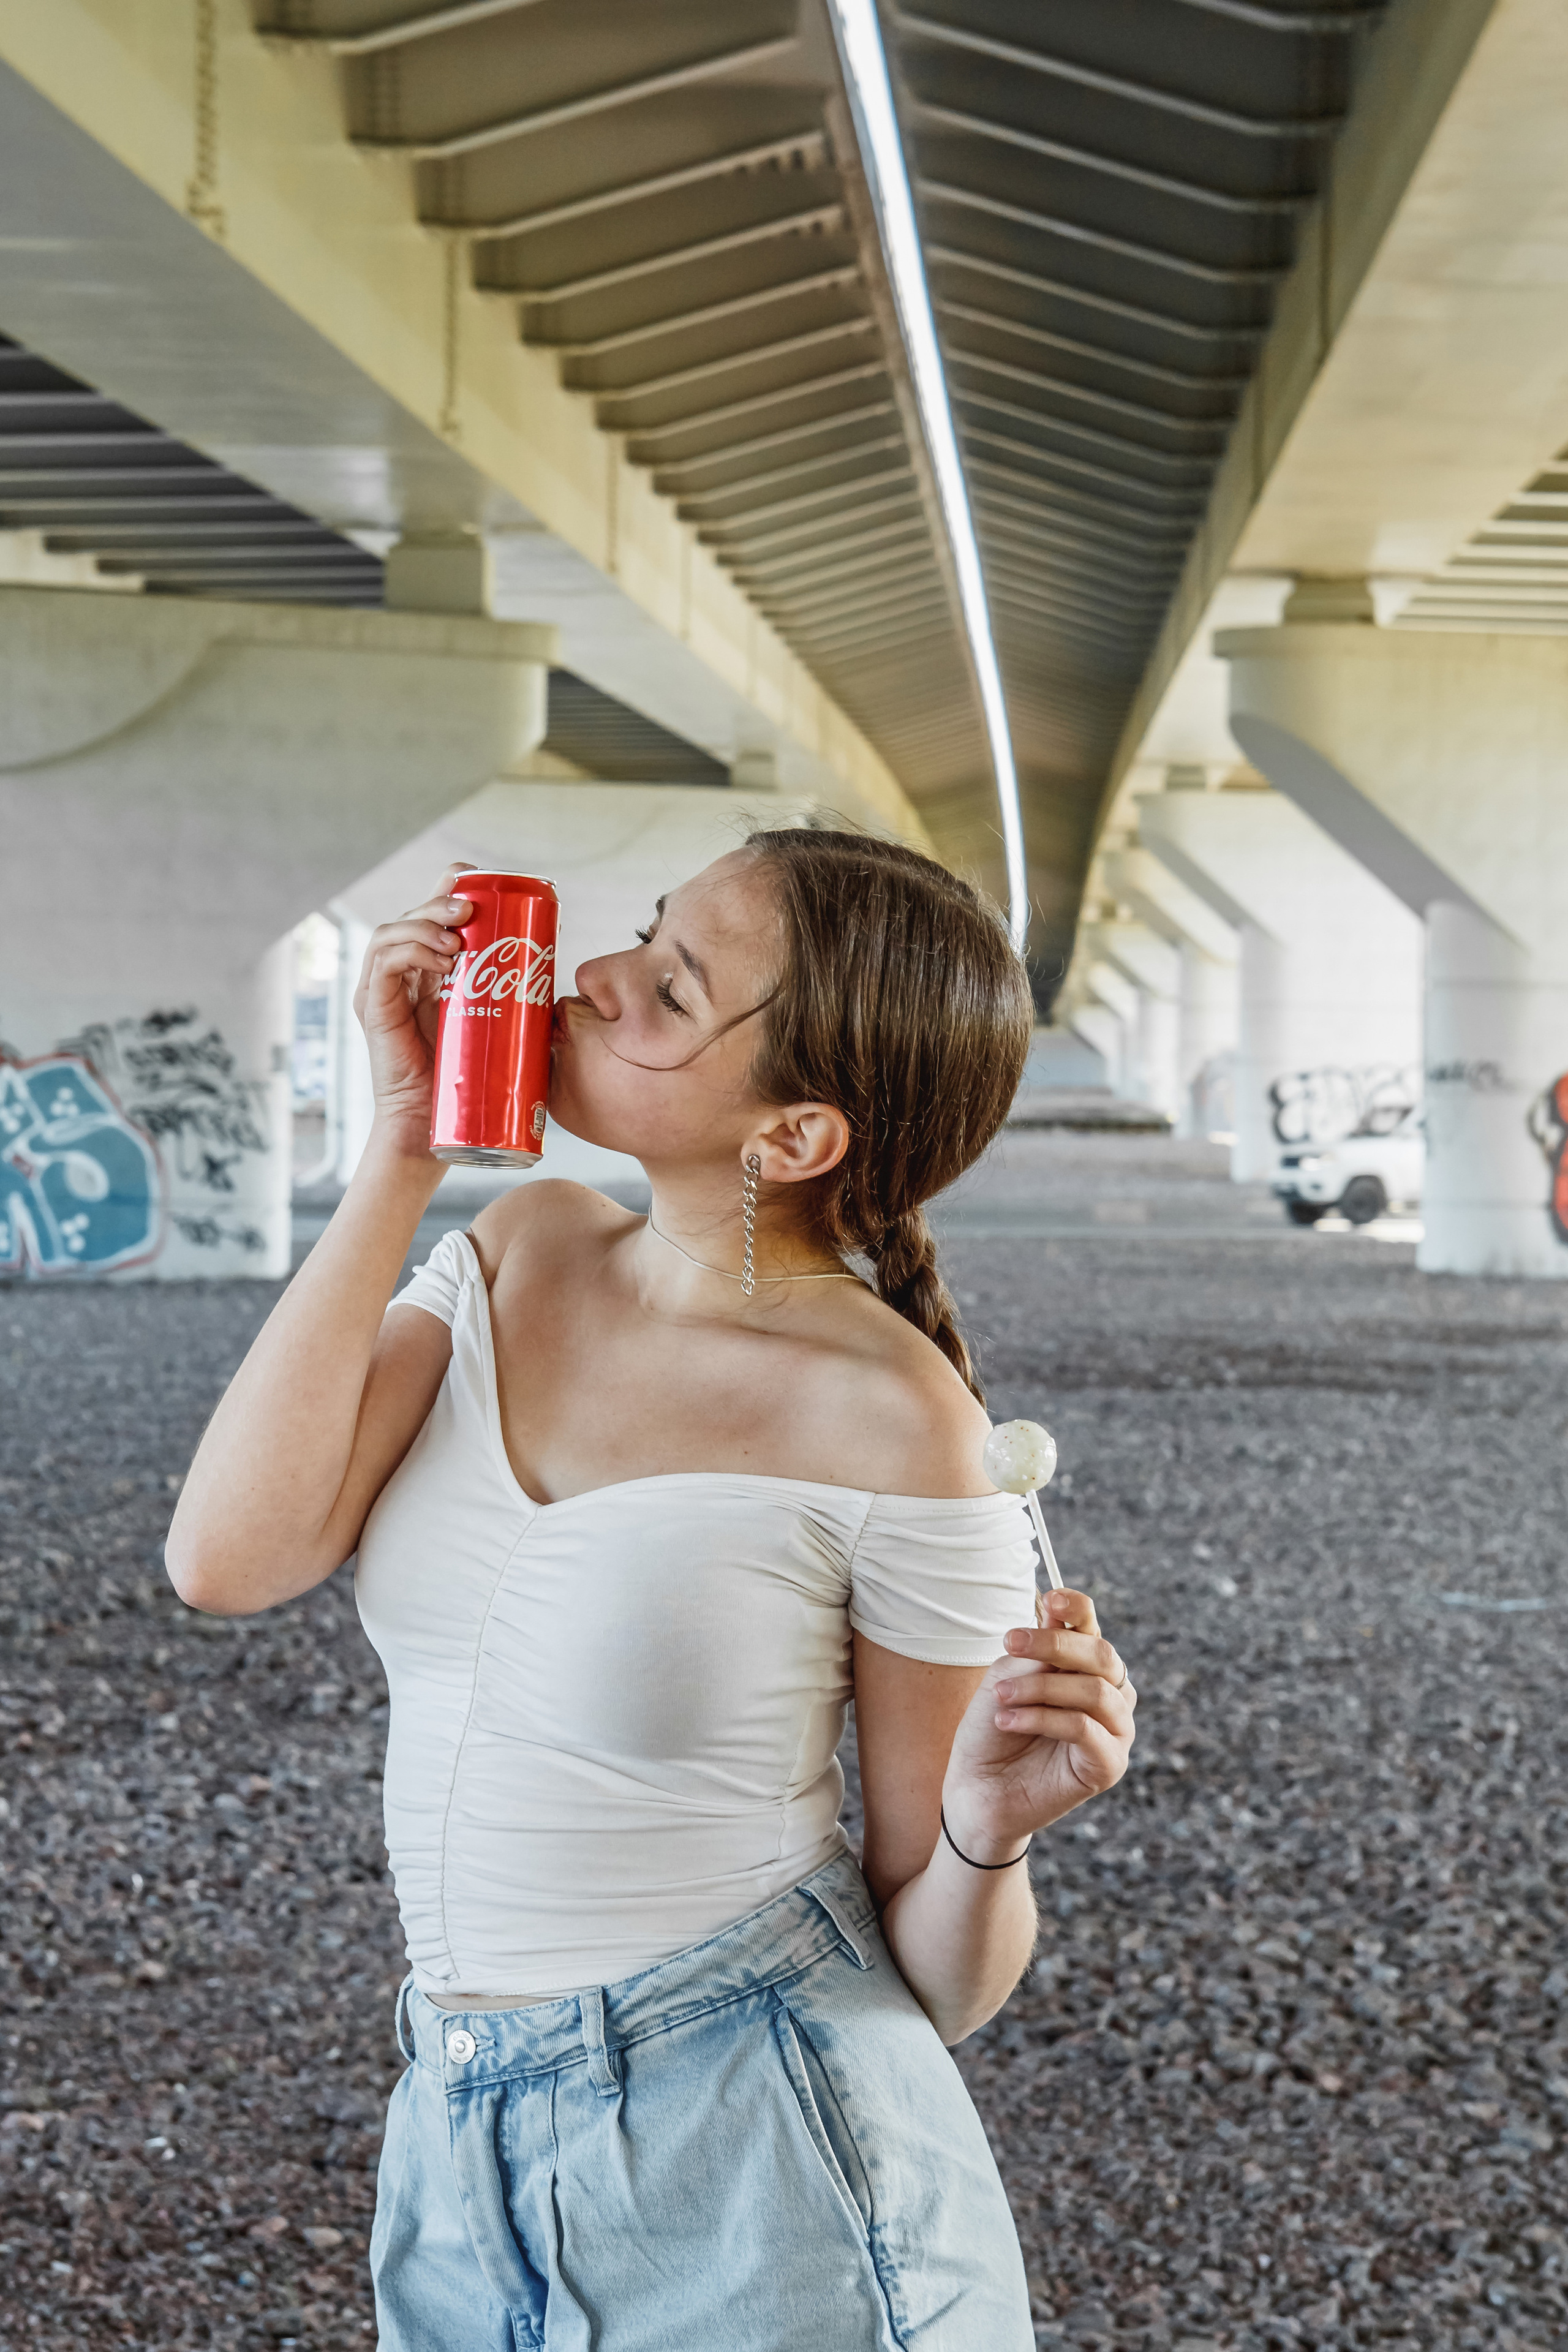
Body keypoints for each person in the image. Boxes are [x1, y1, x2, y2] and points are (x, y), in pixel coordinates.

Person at [167, 827, 1137, 2351]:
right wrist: (402, 1148)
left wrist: (988, 1830)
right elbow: (228, 1557)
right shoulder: (521, 1245)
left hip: (761, 2148)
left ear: (792, 1139)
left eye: (672, 991)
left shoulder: (897, 1422)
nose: (595, 978)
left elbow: (936, 1983)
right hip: (454, 2123)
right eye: (642, 932)